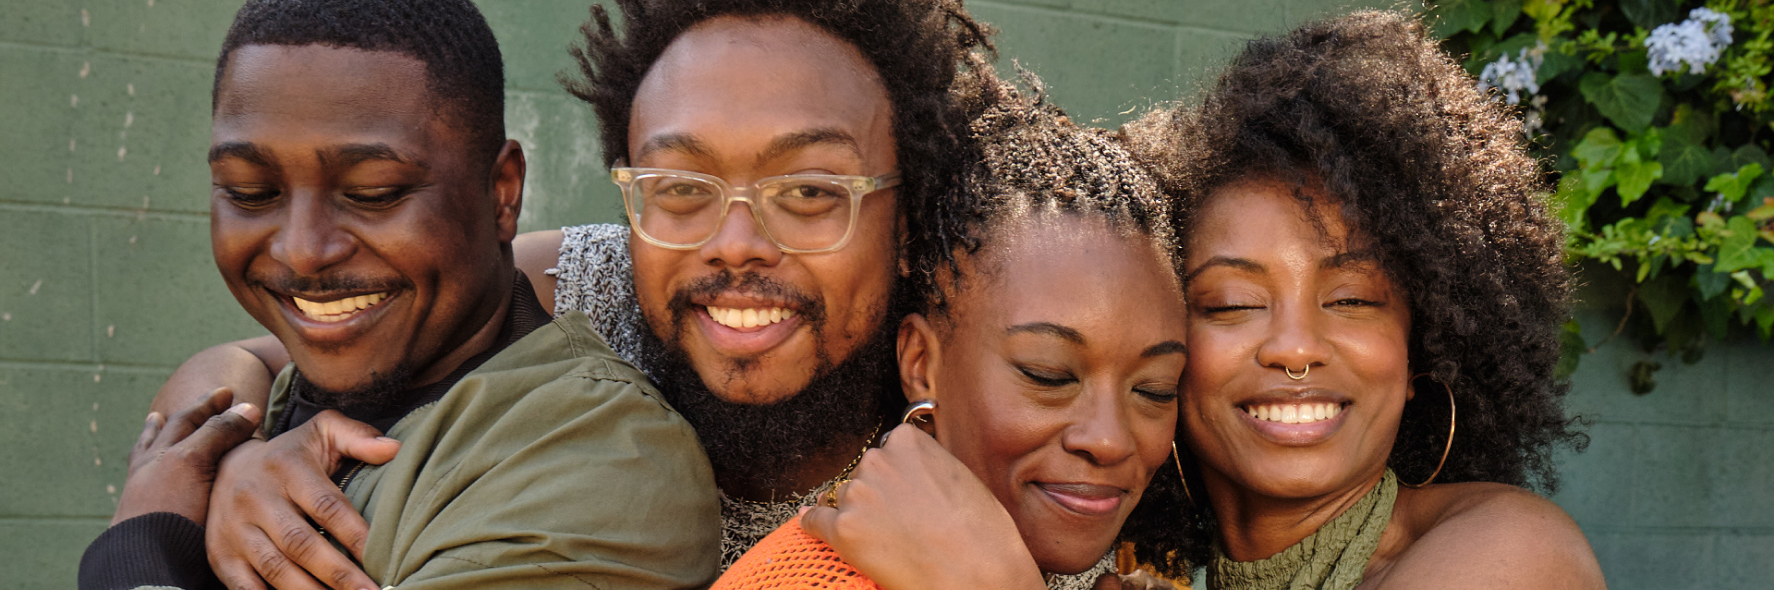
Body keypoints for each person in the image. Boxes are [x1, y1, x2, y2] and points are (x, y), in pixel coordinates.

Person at [141, 0, 1002, 586]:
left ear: (905, 220)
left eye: (811, 192)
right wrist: (235, 456)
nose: (735, 243)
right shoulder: (600, 278)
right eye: (680, 186)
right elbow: (253, 354)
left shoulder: (1000, 421)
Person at [77, 0, 722, 588]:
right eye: (251, 192)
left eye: (374, 193)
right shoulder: (295, 401)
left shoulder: (601, 464)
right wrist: (230, 456)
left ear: (502, 192)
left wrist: (141, 547)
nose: (301, 250)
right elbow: (236, 361)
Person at [1116, 11, 1605, 589]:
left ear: (1417, 353)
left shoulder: (1512, 548)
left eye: (1352, 300)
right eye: (1231, 304)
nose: (1295, 349)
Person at [719, 79, 1194, 590]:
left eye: (1154, 389)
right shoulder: (816, 580)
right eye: (1048, 375)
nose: (1108, 439)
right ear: (922, 365)